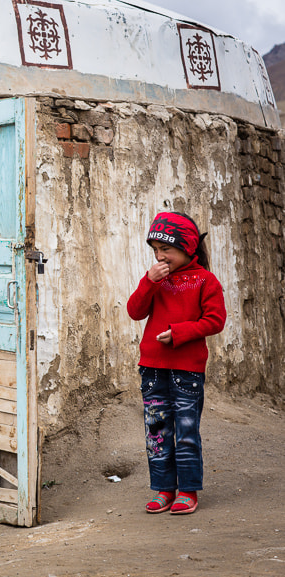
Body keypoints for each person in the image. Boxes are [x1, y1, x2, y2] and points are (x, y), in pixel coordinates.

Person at [127, 212, 226, 515]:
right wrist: (149, 281)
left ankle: (188, 490)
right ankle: (163, 488)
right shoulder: (156, 280)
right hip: (153, 369)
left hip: (187, 370)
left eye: (165, 249)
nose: (160, 256)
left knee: (185, 429)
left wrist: (180, 333)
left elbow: (215, 320)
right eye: (155, 250)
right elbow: (135, 311)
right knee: (157, 430)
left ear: (187, 248)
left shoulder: (205, 281)